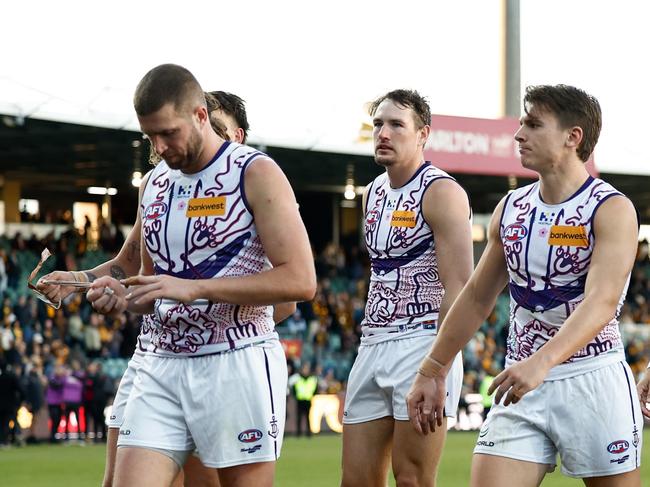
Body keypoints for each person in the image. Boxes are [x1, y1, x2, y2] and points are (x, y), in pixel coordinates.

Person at [37, 89, 295, 486]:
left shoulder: (255, 177)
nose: (161, 147)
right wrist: (85, 283)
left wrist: (204, 300)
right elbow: (135, 270)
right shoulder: (157, 185)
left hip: (232, 358)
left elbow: (292, 291)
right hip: (156, 355)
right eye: (152, 137)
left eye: (168, 133)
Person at [407, 84, 642, 486]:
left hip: (593, 380)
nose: (518, 135)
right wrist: (432, 368)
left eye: (533, 125)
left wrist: (543, 362)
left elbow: (601, 302)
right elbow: (479, 297)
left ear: (573, 137)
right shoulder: (511, 208)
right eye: (520, 124)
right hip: (519, 384)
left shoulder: (613, 209)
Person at [341, 89, 473, 487]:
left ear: (422, 134)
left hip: (422, 344)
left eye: (396, 124)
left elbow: (461, 290)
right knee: (355, 481)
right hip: (373, 343)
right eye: (378, 123)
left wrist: (439, 368)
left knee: (412, 479)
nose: (383, 132)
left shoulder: (441, 192)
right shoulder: (372, 193)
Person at [293, 362, 318, 437]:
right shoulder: (297, 378)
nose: (305, 370)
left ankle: (308, 433)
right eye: (304, 369)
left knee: (308, 417)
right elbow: (294, 389)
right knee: (299, 417)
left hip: (308, 400)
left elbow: (315, 389)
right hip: (300, 400)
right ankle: (298, 433)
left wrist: (312, 395)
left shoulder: (312, 379)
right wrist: (295, 395)